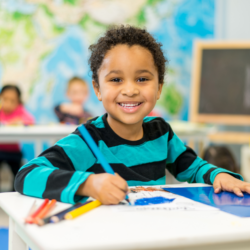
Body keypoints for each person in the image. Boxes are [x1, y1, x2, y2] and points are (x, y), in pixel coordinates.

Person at [14, 25, 250, 204]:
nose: (130, 90)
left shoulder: (161, 133)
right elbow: (26, 175)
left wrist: (219, 175)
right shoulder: (88, 140)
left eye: (142, 79)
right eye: (116, 80)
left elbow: (193, 167)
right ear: (97, 89)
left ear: (158, 88)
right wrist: (88, 184)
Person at [0, 84, 34, 189]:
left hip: (14, 151)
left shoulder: (20, 111)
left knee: (18, 175)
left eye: (12, 101)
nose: (8, 103)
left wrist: (19, 121)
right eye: (5, 99)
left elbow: (31, 121)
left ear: (18, 102)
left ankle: (15, 192)